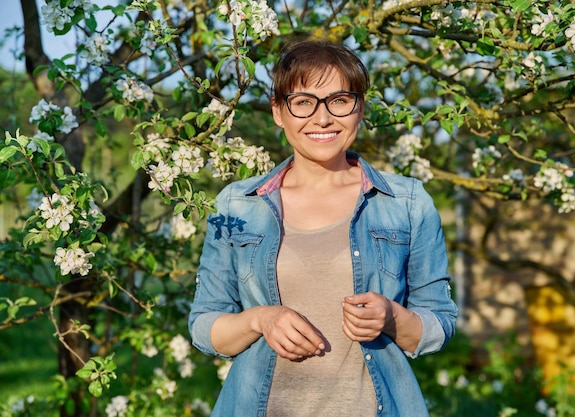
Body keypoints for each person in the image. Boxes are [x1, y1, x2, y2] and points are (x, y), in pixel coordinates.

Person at [188, 40, 457, 417]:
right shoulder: (236, 205)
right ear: (278, 112)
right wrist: (261, 319)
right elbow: (204, 326)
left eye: (339, 100)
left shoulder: (408, 203)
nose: (323, 118)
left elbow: (439, 323)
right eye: (303, 102)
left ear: (359, 107)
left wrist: (391, 317)